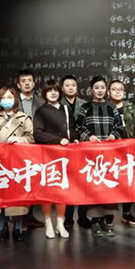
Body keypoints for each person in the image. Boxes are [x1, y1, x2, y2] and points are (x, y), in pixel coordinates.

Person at [75, 75, 123, 237]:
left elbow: (119, 126)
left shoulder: (111, 107)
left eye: (102, 87)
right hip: (91, 156)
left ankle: (105, 221)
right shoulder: (85, 107)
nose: (100, 90)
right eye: (96, 88)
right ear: (91, 90)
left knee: (108, 188)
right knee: (93, 188)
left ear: (106, 90)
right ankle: (94, 222)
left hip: (109, 156)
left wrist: (114, 135)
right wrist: (89, 136)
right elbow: (78, 127)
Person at [0, 86, 34, 242]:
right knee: (1, 198)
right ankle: (3, 228)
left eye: (10, 97)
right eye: (3, 98)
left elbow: (31, 138)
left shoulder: (24, 118)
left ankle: (18, 229)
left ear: (15, 99)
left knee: (18, 198)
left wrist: (19, 140)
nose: (6, 100)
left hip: (18, 163)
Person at [33, 80, 79, 239]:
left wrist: (75, 138)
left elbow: (71, 129)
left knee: (62, 190)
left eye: (55, 90)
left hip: (64, 155)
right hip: (47, 155)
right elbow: (37, 133)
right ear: (44, 93)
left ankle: (60, 223)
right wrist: (58, 140)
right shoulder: (40, 111)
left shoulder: (66, 108)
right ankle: (48, 223)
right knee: (47, 191)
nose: (53, 93)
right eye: (49, 90)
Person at [108, 79, 135, 226]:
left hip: (129, 150)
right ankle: (109, 214)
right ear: (108, 92)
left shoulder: (131, 107)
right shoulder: (105, 107)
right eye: (114, 89)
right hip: (110, 150)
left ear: (124, 92)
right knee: (111, 182)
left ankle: (126, 213)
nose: (117, 91)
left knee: (128, 182)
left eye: (120, 89)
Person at [15, 69, 44, 228]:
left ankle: (29, 215)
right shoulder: (12, 100)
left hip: (36, 144)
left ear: (34, 83)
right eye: (23, 81)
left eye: (29, 80)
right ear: (18, 85)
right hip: (17, 145)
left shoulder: (41, 101)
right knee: (18, 180)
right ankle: (19, 217)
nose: (27, 83)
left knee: (32, 180)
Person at [59, 74, 87, 227]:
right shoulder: (57, 104)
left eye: (73, 85)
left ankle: (83, 216)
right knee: (67, 183)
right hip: (64, 148)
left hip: (82, 147)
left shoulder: (84, 104)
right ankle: (68, 217)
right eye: (67, 85)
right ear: (62, 88)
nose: (70, 88)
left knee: (83, 182)